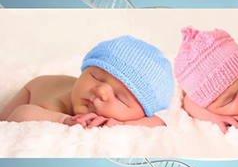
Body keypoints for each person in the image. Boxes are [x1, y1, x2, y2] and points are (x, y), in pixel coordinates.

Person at [0, 35, 174, 128]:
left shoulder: (137, 115)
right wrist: (63, 120)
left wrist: (122, 124)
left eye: (119, 97)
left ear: (141, 113)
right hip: (34, 88)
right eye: (95, 77)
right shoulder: (57, 105)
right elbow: (21, 114)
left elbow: (159, 123)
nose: (100, 91)